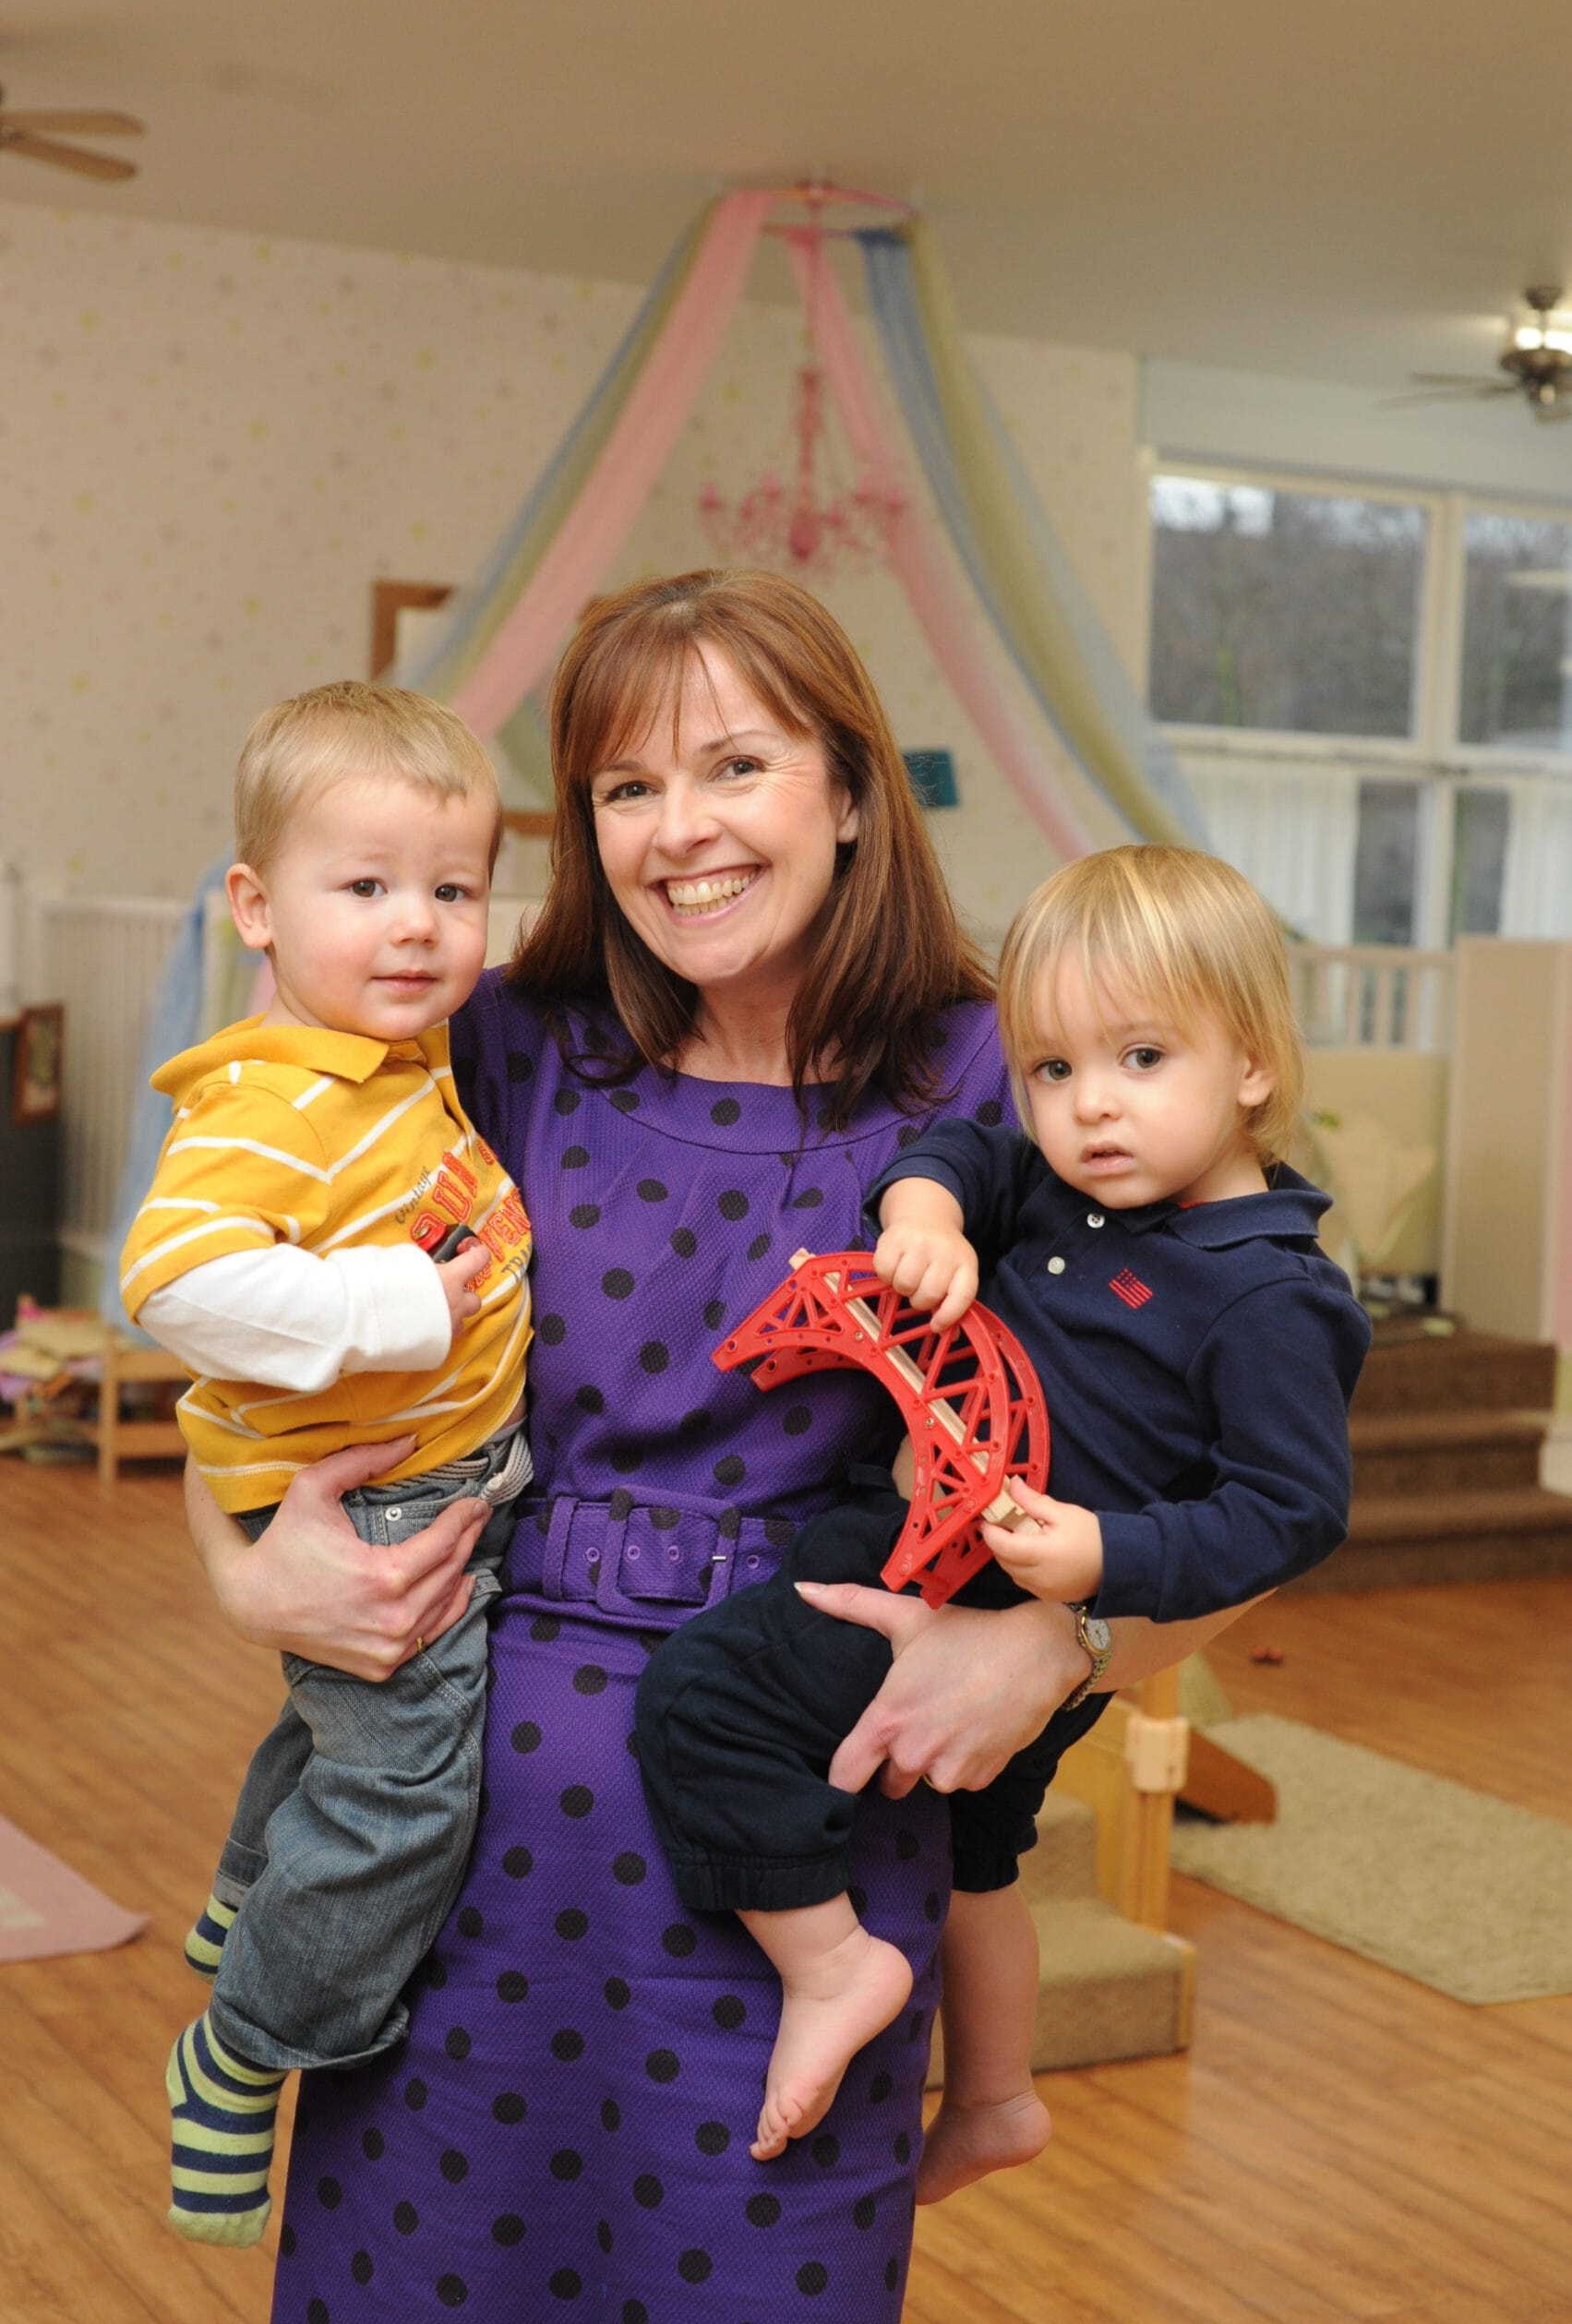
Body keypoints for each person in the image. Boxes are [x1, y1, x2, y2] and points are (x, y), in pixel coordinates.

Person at [182, 572, 1266, 2323]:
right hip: (458, 1862)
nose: (679, 832)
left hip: (801, 1868)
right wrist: (249, 1575)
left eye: (736, 768)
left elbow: (1250, 1456)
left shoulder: (1008, 1076)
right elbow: (234, 1353)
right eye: (625, 786)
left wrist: (1053, 1646)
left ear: (849, 787)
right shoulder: (494, 1042)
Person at [632, 843, 1371, 2200]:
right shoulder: (1052, 1180)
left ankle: (829, 1965)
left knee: (700, 1704)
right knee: (981, 1869)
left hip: (986, 1586)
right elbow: (957, 1149)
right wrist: (924, 1217)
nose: (1090, 1109)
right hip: (970, 1561)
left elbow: (1292, 1513)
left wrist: (1105, 1561)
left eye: (1142, 1059)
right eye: (1053, 1070)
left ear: (1254, 1064)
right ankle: (996, 2096)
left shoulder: (1273, 1298)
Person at [121, 682, 534, 2246]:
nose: (416, 926)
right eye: (362, 888)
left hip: (435, 1470)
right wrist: (392, 1306)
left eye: (450, 888)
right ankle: (243, 2049)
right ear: (258, 909)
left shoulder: (389, 1051)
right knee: (406, 1805)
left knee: (337, 1734)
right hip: (381, 1497)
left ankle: (244, 1900)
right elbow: (170, 1282)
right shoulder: (280, 1095)